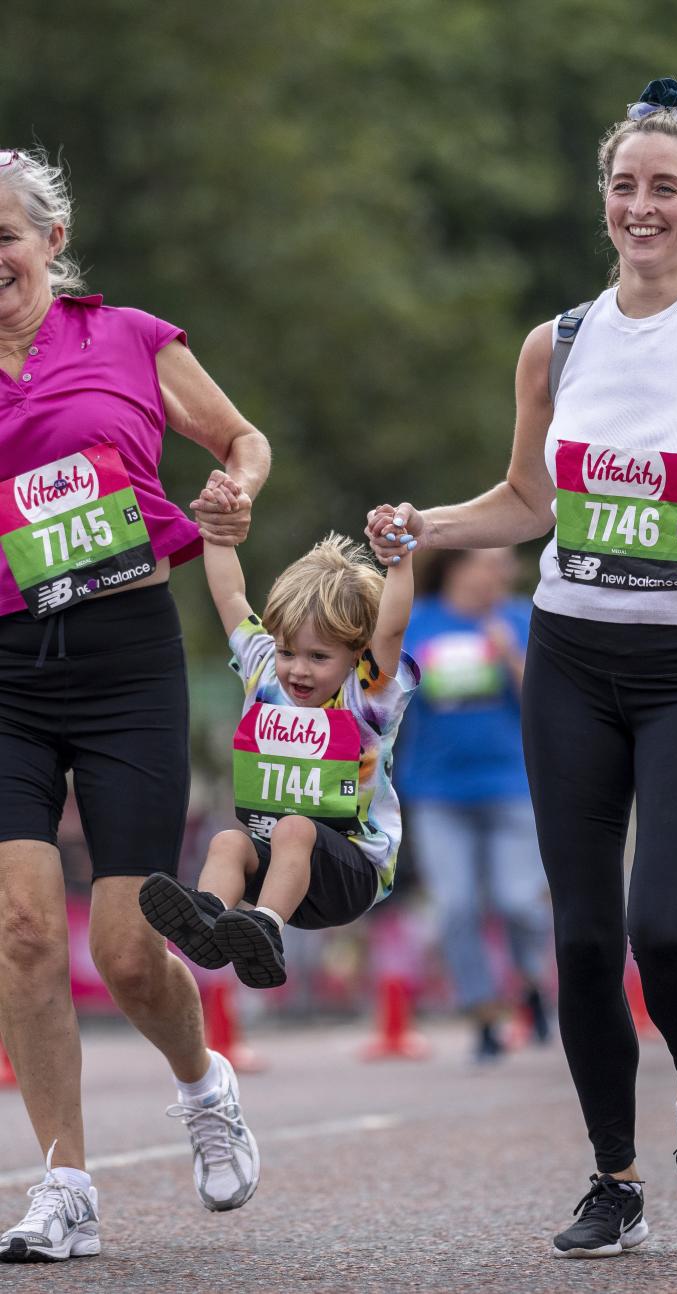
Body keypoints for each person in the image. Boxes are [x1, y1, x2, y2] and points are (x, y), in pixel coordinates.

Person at [367, 56, 677, 1258]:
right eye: (623, 186)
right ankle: (615, 1174)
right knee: (586, 936)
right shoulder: (558, 343)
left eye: (665, 188)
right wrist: (428, 525)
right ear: (604, 198)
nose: (641, 207)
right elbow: (528, 500)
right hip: (573, 660)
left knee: (663, 921)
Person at [0, 148, 271, 1262]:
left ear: (50, 242)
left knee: (122, 946)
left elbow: (241, 441)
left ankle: (204, 1086)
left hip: (126, 657)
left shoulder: (129, 338)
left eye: (2, 241)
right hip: (7, 666)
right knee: (20, 929)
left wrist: (236, 490)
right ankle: (63, 1183)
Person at [138, 530, 418, 998]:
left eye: (318, 657)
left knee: (295, 828)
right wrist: (218, 532)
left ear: (356, 655)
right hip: (281, 872)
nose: (298, 670)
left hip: (351, 876)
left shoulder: (366, 695)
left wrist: (399, 563)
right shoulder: (265, 673)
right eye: (288, 651)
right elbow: (229, 594)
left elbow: (390, 628)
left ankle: (265, 929)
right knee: (228, 840)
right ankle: (210, 918)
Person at [396, 547, 551, 1061]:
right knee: (456, 905)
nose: (502, 573)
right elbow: (388, 695)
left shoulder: (521, 617)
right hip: (438, 793)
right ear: (458, 566)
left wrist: (509, 654)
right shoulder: (418, 622)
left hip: (512, 786)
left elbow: (549, 699)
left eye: (506, 566)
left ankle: (531, 981)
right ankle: (482, 1012)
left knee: (518, 900)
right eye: (493, 562)